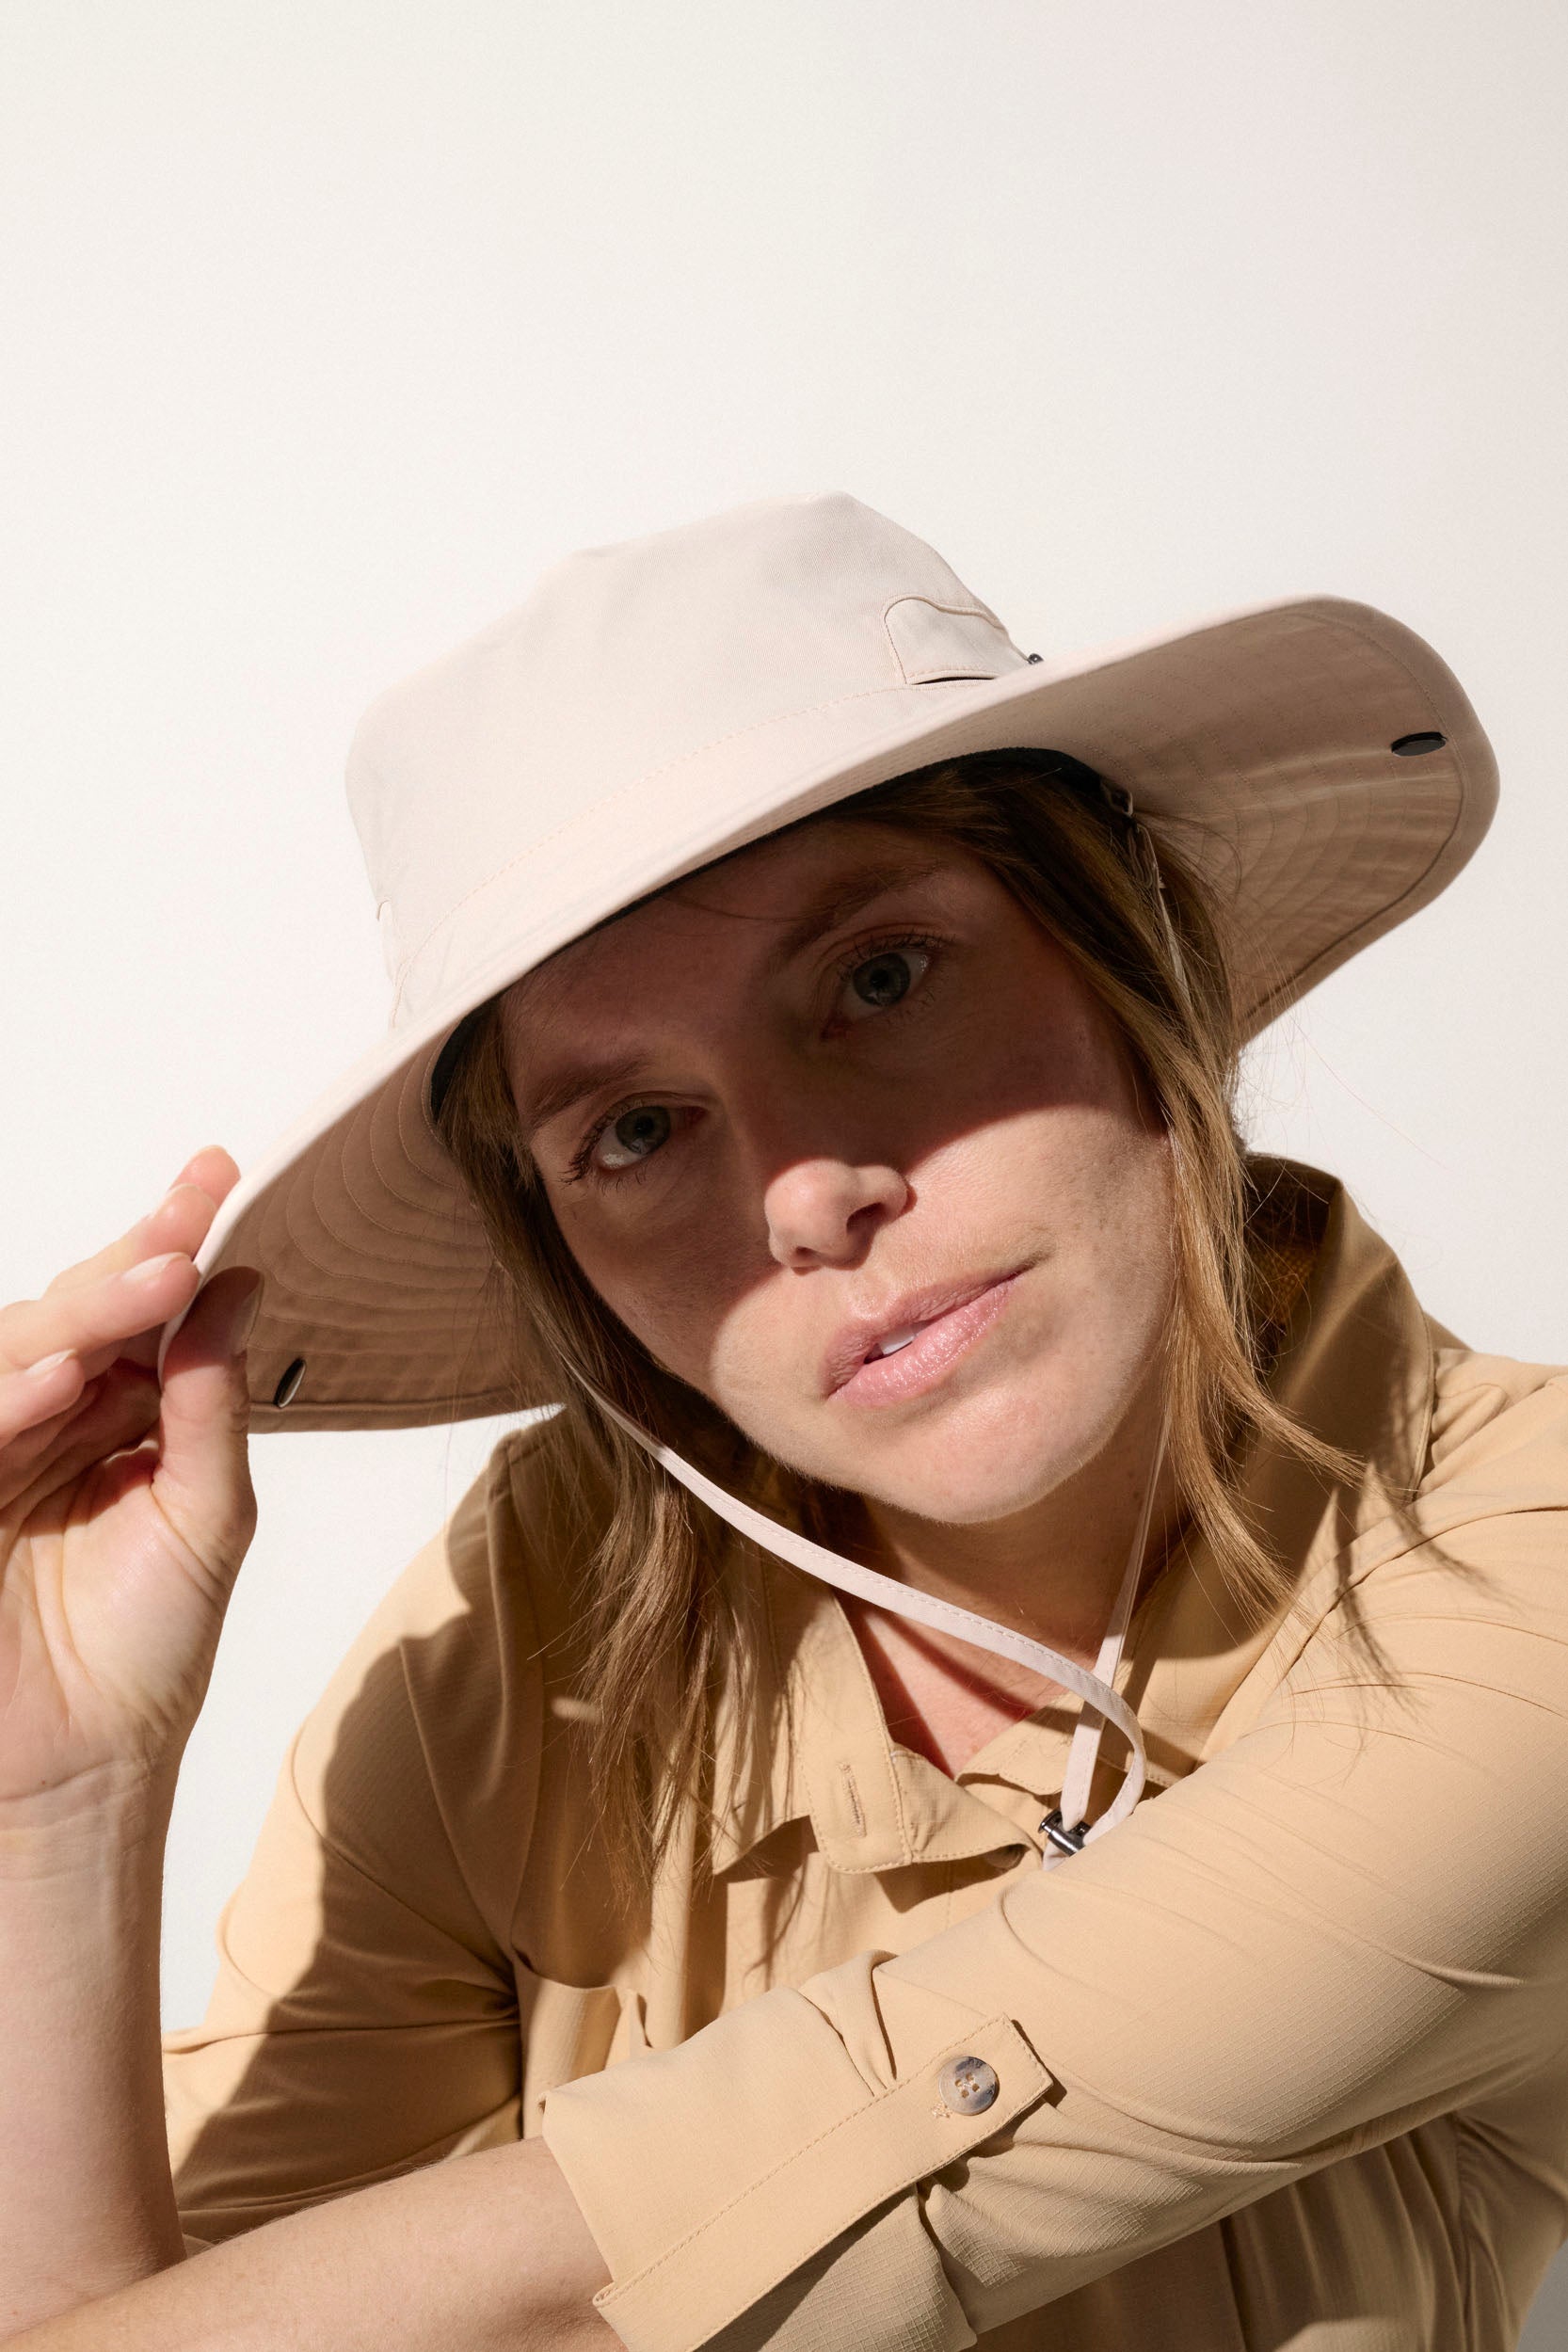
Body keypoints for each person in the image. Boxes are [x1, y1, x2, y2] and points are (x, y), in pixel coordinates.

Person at [0, 491, 1563, 2352]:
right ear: (570, 1258)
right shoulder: (533, 1627)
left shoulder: (1519, 1560)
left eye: (880, 976)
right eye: (636, 1130)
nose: (808, 1193)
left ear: (1136, 951)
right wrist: (58, 1791)